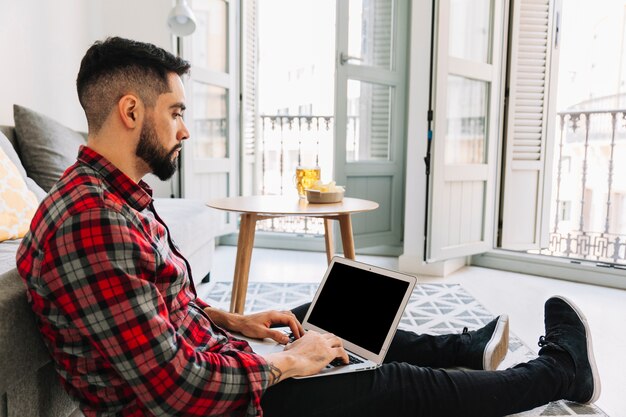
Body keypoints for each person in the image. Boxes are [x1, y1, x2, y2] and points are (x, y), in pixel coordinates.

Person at [16, 37, 600, 417]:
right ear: (131, 111)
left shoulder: (113, 199)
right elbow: (177, 390)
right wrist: (288, 362)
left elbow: (160, 306)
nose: (184, 130)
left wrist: (232, 320)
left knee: (328, 318)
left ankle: (464, 353)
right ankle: (558, 374)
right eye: (177, 113)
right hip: (201, 407)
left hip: (205, 361)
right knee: (386, 384)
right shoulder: (91, 223)